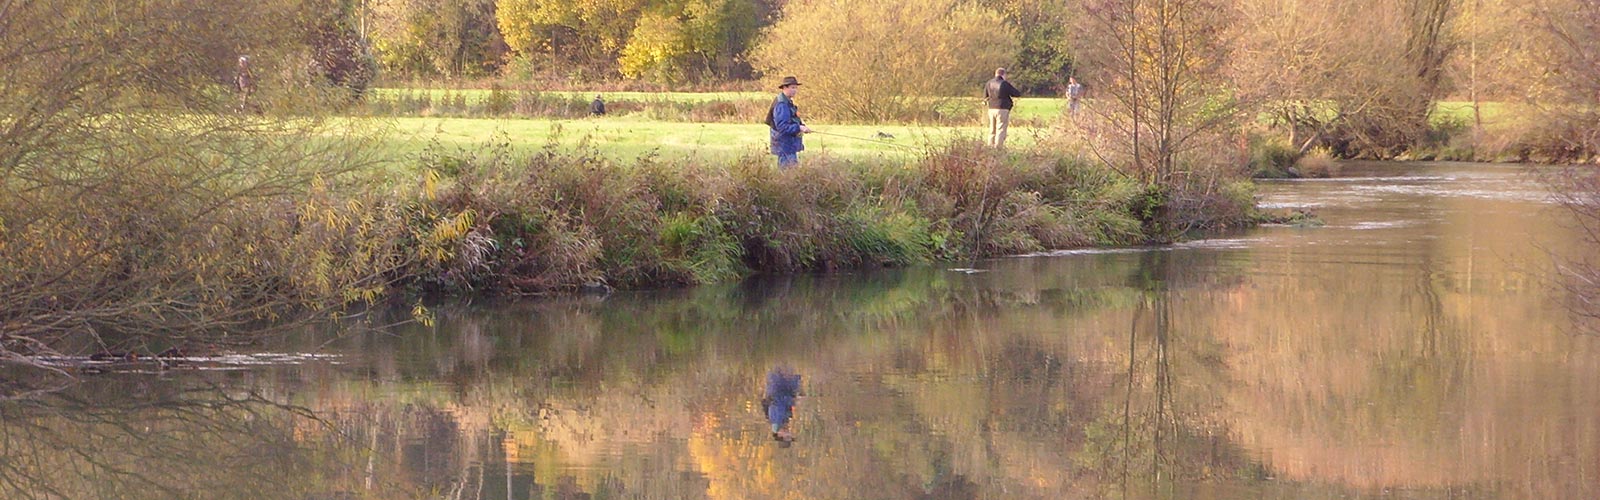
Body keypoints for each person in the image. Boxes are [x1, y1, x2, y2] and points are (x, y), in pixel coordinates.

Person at [767, 76, 813, 169]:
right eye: (792, 87)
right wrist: (799, 128)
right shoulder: (781, 104)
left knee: (792, 171)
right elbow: (782, 127)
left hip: (788, 145)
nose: (795, 90)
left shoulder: (787, 101)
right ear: (784, 88)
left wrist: (802, 126)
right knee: (788, 173)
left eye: (796, 88)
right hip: (784, 145)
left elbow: (792, 119)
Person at [983, 68, 1023, 148]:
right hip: (1002, 108)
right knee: (1000, 128)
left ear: (996, 74)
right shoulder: (1004, 84)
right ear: (1003, 75)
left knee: (992, 129)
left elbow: (985, 96)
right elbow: (1016, 93)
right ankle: (998, 147)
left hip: (991, 109)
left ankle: (990, 146)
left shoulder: (989, 83)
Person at [763, 365, 802, 442]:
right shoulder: (783, 421)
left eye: (787, 436)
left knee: (786, 359)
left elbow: (777, 399)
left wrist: (793, 401)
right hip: (785, 383)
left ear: (779, 434)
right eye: (790, 436)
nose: (789, 433)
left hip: (781, 382)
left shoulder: (776, 419)